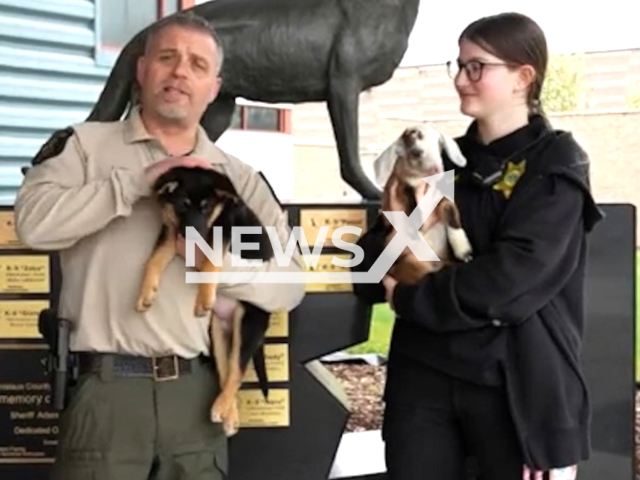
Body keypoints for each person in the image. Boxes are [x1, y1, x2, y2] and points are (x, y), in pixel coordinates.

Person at [14, 12, 305, 480]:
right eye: (167, 58)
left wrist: (217, 265)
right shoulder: (86, 148)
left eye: (197, 64)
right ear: (142, 69)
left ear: (214, 86)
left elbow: (288, 284)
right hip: (104, 395)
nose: (179, 73)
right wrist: (131, 184)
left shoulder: (239, 179)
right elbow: (34, 226)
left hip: (195, 397)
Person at [352, 12, 604, 480]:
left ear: (522, 78)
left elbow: (510, 282)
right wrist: (407, 222)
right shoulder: (440, 165)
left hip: (513, 393)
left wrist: (408, 295)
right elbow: (368, 271)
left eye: (476, 67)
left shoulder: (554, 166)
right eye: (459, 65)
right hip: (422, 389)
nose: (460, 80)